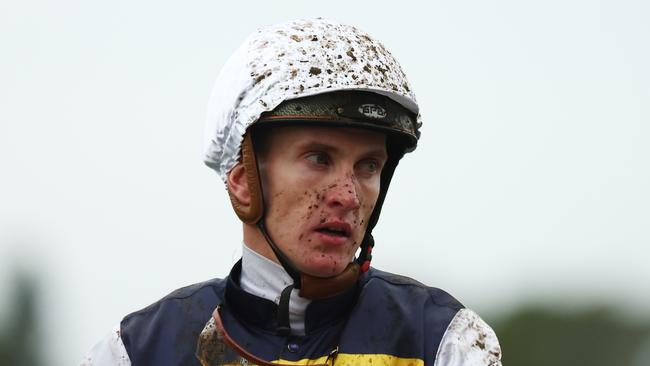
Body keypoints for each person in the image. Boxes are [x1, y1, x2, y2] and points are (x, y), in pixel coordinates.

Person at [82, 18, 502, 366]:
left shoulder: (447, 342)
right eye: (319, 158)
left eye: (368, 165)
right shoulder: (134, 352)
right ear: (243, 180)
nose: (348, 195)